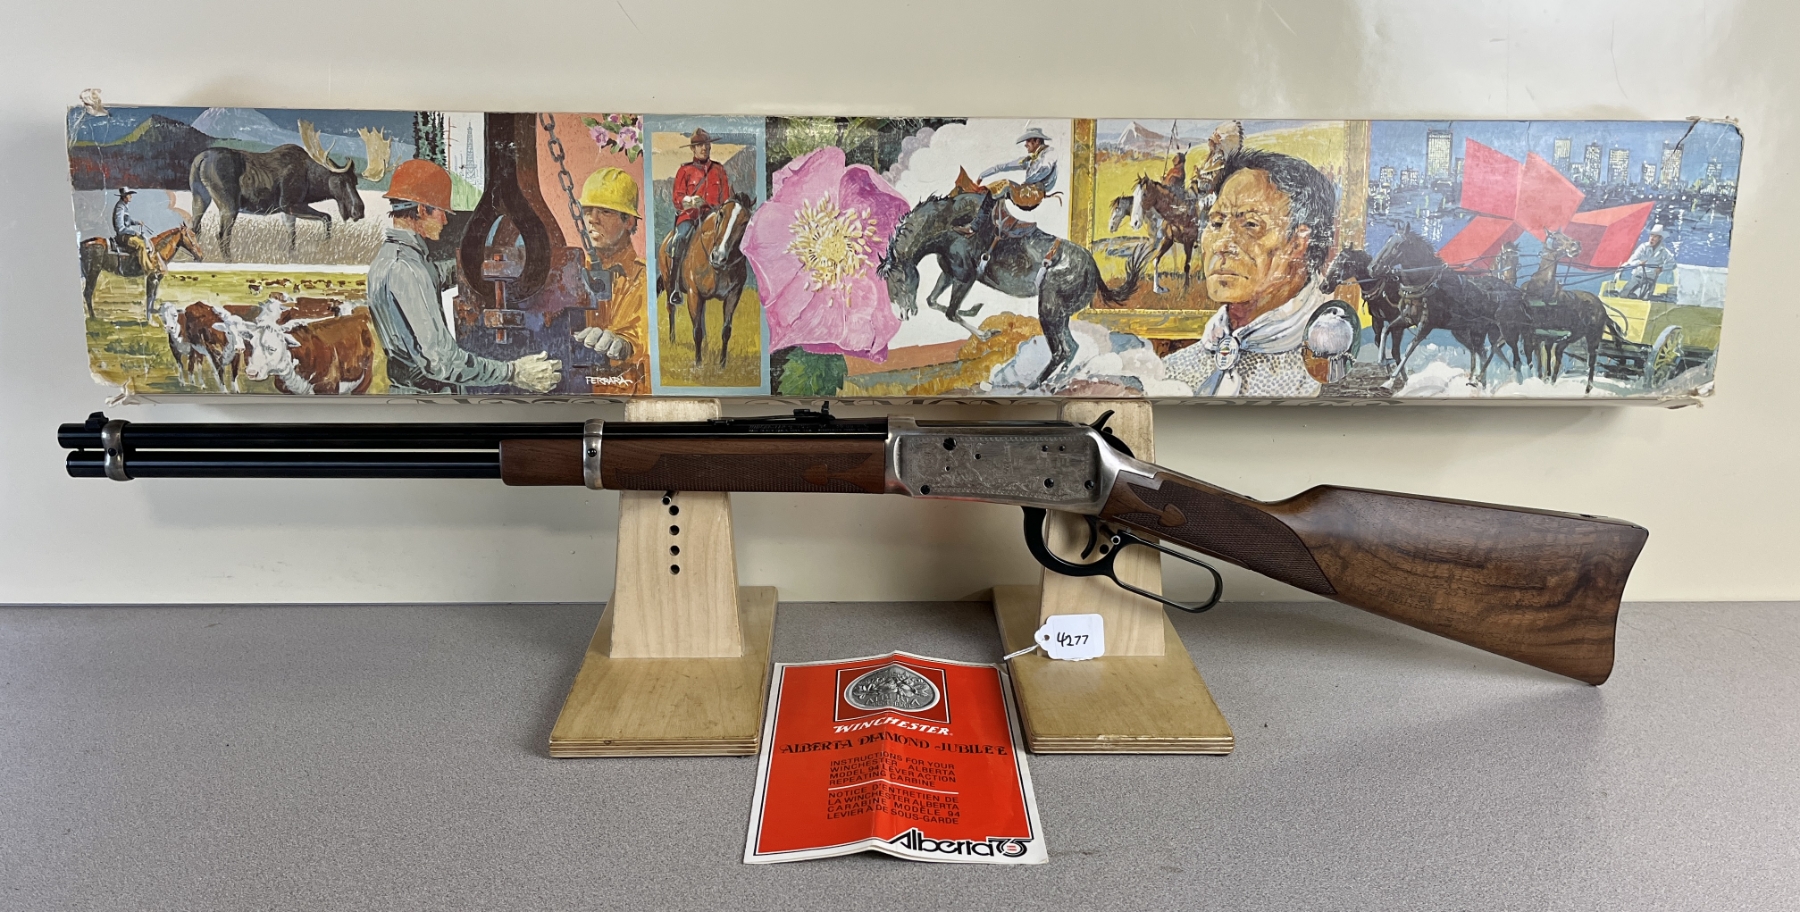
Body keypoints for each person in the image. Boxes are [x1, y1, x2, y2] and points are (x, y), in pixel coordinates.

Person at [1161, 148, 1349, 397]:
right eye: (1216, 223)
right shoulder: (1171, 373)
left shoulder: (1333, 375)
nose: (1221, 244)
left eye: (1250, 224)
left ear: (1298, 242)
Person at [366, 158, 561, 394]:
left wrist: (481, 262)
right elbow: (443, 361)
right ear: (421, 210)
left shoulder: (390, 261)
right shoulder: (406, 270)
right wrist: (513, 373)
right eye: (441, 212)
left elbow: (436, 275)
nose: (445, 220)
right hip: (427, 402)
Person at [571, 167, 649, 392]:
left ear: (629, 222)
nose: (592, 219)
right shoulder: (571, 274)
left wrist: (625, 345)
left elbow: (644, 335)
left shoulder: (646, 278)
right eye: (587, 210)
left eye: (605, 211)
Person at [666, 128, 733, 307]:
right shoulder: (685, 170)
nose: (704, 148)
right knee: (680, 239)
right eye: (699, 145)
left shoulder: (719, 170)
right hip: (690, 217)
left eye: (706, 144)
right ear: (693, 148)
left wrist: (716, 209)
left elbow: (726, 199)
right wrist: (689, 201)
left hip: (714, 218)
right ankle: (674, 287)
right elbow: (677, 198)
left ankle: (731, 283)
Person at [978, 128, 1059, 210]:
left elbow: (1043, 170)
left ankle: (982, 214)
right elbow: (1005, 166)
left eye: (1028, 141)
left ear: (1037, 141)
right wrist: (982, 176)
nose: (1025, 145)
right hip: (1027, 192)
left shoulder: (1049, 153)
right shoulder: (1030, 159)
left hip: (1033, 195)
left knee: (1005, 184)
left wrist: (1028, 181)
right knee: (997, 188)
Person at [112, 187, 161, 275]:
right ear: (124, 197)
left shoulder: (124, 206)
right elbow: (120, 228)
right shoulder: (120, 207)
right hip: (122, 236)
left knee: (144, 240)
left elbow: (127, 221)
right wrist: (134, 232)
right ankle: (148, 269)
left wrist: (136, 222)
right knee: (141, 244)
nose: (131, 196)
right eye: (129, 195)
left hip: (126, 234)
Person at [1621, 224, 1676, 300]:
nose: (1652, 238)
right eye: (1651, 236)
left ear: (1659, 238)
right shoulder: (1643, 247)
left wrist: (1662, 268)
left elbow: (1673, 264)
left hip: (1650, 278)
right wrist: (1639, 262)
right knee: (1624, 294)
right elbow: (1631, 260)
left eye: (1655, 236)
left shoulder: (1663, 251)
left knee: (1645, 298)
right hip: (1638, 275)